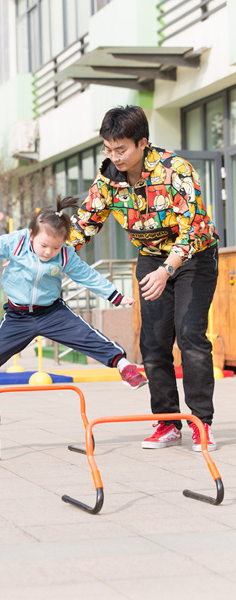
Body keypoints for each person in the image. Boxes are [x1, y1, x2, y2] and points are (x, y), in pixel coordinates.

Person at [68, 105, 219, 452]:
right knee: (153, 342)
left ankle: (201, 423)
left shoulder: (174, 170)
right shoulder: (107, 179)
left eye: (120, 149)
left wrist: (168, 270)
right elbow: (83, 224)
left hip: (192, 256)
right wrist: (40, 252)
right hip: (151, 258)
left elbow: (194, 227)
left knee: (191, 336)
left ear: (142, 143)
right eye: (108, 149)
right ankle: (168, 422)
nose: (114, 156)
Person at [0, 195, 147, 414]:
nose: (48, 252)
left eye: (54, 247)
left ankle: (124, 366)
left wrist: (115, 296)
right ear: (31, 234)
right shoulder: (16, 242)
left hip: (51, 312)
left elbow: (87, 275)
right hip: (18, 316)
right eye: (43, 245)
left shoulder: (64, 254)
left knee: (85, 334)